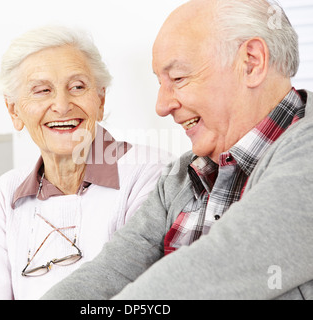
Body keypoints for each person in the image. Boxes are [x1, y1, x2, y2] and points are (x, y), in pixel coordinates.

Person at [41, 0, 313, 300]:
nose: (162, 106)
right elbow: (111, 272)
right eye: (160, 83)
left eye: (179, 78)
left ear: (251, 62)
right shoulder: (181, 177)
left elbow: (217, 268)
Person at [0, 25, 173, 300]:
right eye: (42, 90)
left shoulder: (151, 172)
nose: (61, 105)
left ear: (100, 99)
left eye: (77, 87)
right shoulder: (6, 193)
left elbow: (141, 294)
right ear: (14, 110)